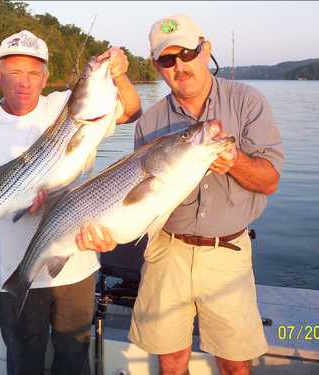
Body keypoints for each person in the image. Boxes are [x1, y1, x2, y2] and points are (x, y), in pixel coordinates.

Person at [78, 14, 284, 375]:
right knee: (171, 361)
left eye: (187, 53)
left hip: (227, 252)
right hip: (166, 250)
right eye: (166, 59)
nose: (179, 66)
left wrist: (235, 160)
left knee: (235, 363)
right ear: (157, 66)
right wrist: (106, 232)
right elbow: (137, 200)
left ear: (205, 51)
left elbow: (269, 181)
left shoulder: (247, 102)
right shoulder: (151, 121)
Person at [0, 30, 141, 375]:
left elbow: (132, 110)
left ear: (46, 77)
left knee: (73, 359)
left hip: (76, 263)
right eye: (15, 72)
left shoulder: (64, 107)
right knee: (24, 360)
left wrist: (118, 74)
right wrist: (9, 198)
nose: (25, 82)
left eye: (34, 73)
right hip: (15, 270)